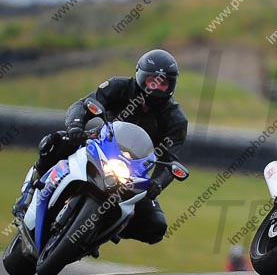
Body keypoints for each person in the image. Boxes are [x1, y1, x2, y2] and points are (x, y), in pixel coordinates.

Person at [12, 49, 188, 245]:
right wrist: (76, 126)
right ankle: (28, 194)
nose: (156, 87)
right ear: (141, 77)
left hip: (135, 172)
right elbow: (83, 105)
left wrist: (157, 183)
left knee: (156, 227)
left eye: (163, 83)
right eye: (152, 81)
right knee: (56, 143)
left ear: (171, 86)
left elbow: (170, 160)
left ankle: (104, 230)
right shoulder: (118, 86)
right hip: (98, 145)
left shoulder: (176, 120)